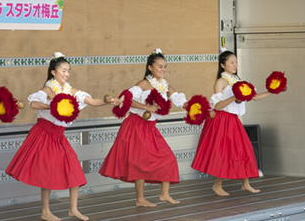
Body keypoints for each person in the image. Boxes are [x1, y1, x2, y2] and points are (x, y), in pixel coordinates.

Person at [6, 52, 119, 221]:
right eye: (63, 70)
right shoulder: (48, 89)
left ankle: (73, 209)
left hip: (59, 136)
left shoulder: (71, 91)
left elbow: (93, 101)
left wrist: (110, 101)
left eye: (68, 71)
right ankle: (45, 212)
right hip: (44, 133)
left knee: (74, 168)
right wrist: (52, 106)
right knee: (47, 172)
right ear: (53, 72)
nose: (67, 74)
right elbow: (32, 103)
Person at [99, 48, 188, 207]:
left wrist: (197, 107)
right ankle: (140, 199)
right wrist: (146, 107)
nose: (163, 69)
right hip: (136, 125)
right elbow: (128, 99)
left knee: (168, 157)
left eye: (165, 66)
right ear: (150, 68)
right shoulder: (144, 84)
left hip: (150, 127)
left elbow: (180, 101)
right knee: (139, 162)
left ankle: (164, 194)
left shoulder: (165, 85)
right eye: (160, 66)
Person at [191, 50, 272, 196]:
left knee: (244, 149)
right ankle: (217, 185)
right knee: (224, 153)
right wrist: (234, 97)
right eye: (231, 62)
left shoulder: (238, 80)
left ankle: (245, 183)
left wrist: (273, 91)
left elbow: (255, 97)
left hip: (233, 119)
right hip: (221, 120)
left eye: (236, 62)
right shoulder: (220, 82)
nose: (235, 65)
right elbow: (217, 106)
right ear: (223, 65)